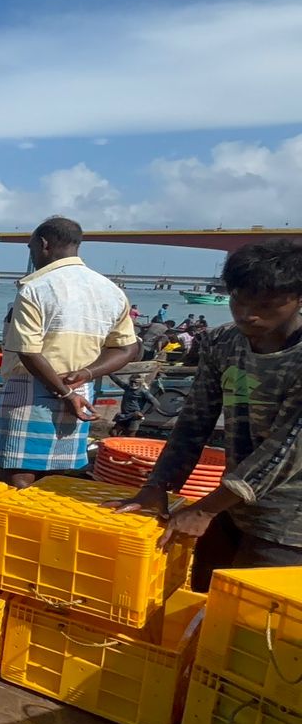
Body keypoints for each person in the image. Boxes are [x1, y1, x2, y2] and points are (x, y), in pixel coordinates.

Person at [111, 241, 302, 584]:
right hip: (231, 504)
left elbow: (285, 450)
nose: (247, 314)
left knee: (246, 620)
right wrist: (159, 486)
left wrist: (204, 508)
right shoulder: (221, 342)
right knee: (199, 596)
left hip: (289, 526)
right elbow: (194, 421)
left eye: (266, 305)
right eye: (239, 300)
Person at [0, 216, 140, 487]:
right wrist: (87, 373)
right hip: (81, 392)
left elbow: (28, 352)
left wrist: (64, 394)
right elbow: (128, 348)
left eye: (31, 248)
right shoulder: (111, 291)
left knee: (16, 479)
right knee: (55, 483)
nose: (32, 255)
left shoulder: (35, 288)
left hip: (30, 392)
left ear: (44, 244)